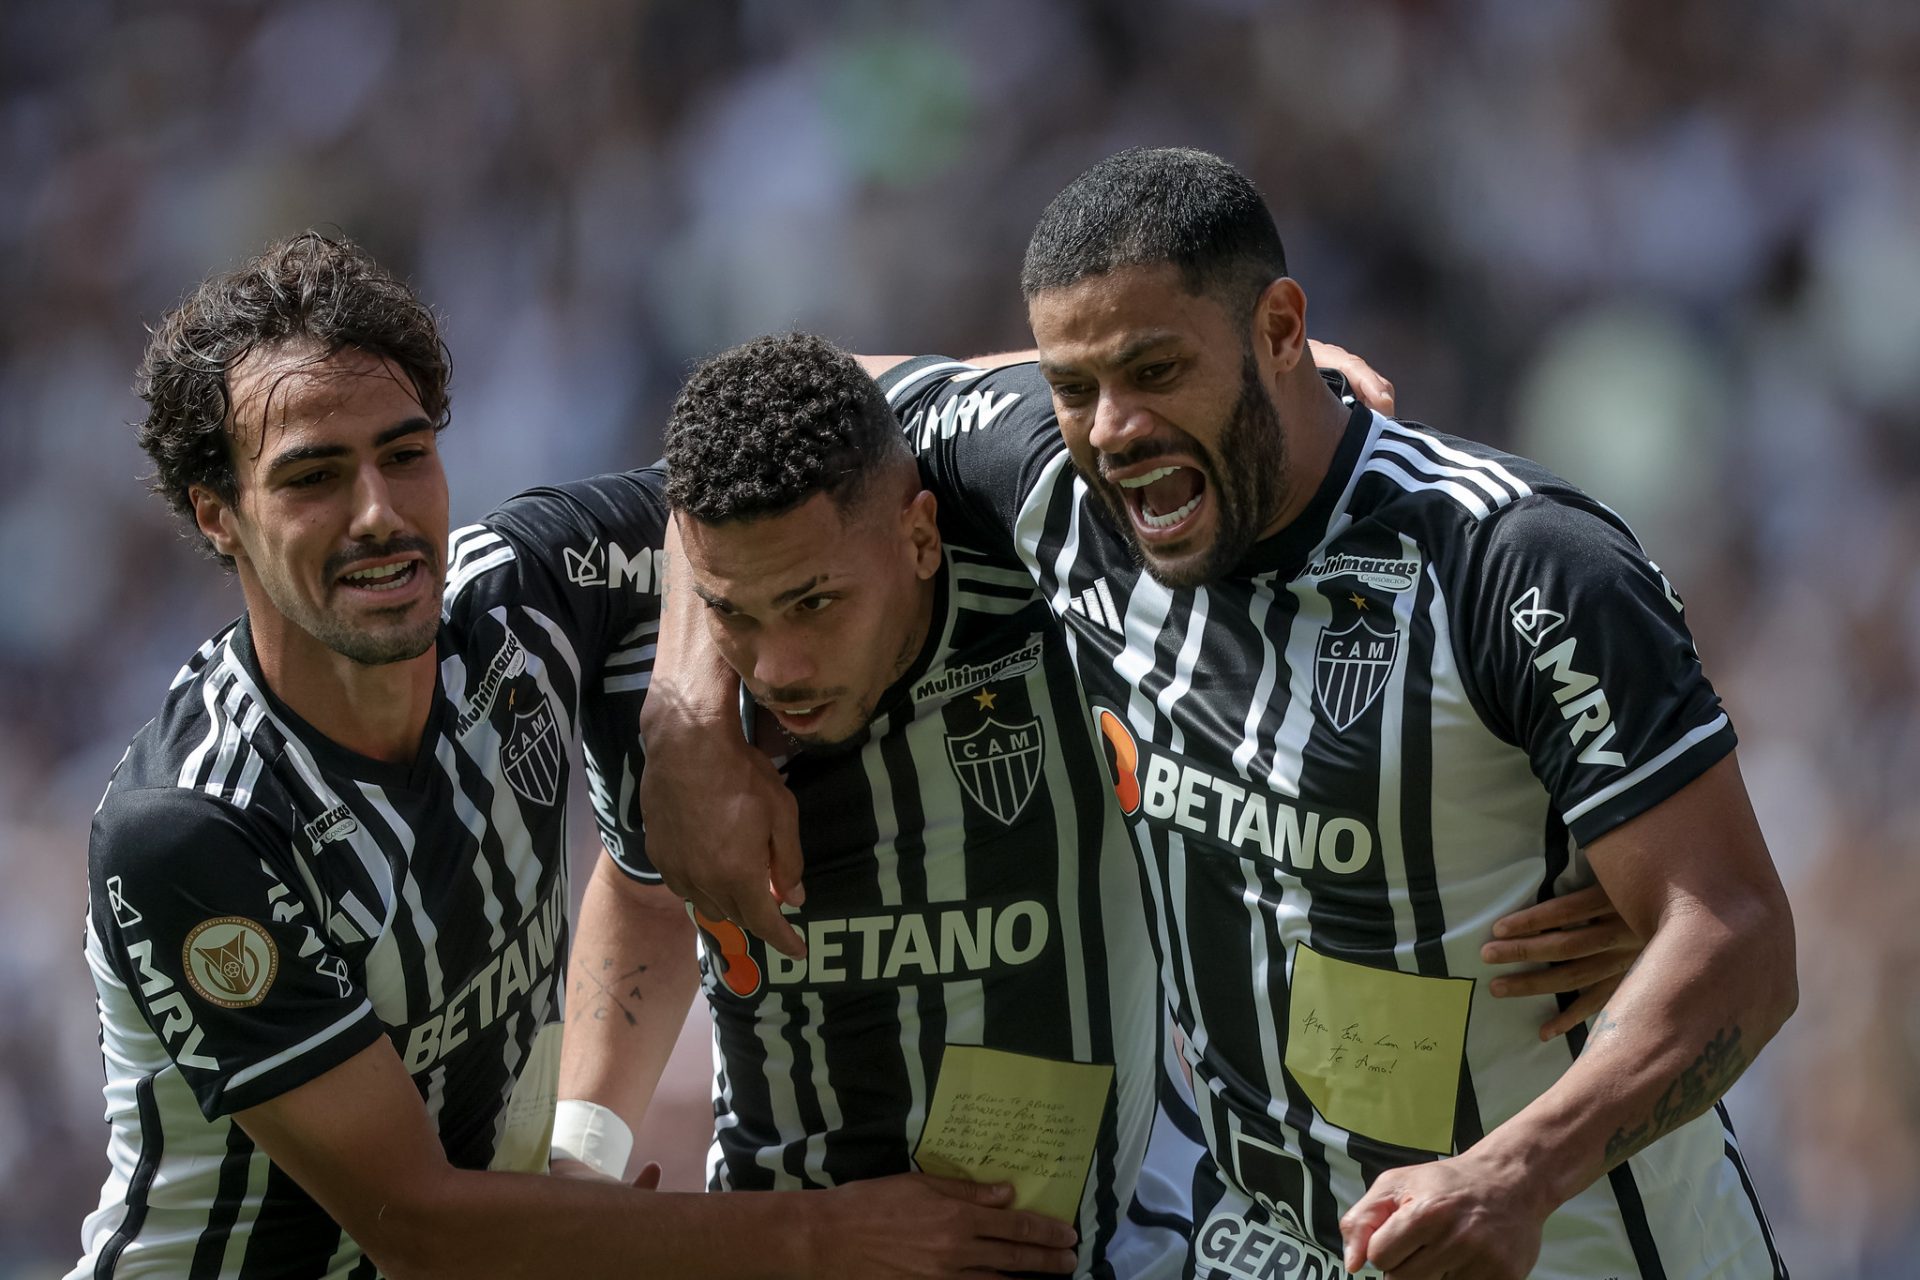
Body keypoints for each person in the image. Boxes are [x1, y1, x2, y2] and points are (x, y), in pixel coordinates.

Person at [637, 148, 1797, 1279]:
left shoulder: (1517, 561)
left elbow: (1739, 934)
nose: (1111, 427)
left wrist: (1515, 1170)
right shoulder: (1062, 495)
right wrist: (686, 706)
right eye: (1074, 383)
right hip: (1285, 1244)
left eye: (1155, 369)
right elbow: (801, 405)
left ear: (1282, 331)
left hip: (1570, 1242)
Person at [69, 232, 1080, 1279]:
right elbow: (422, 1228)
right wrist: (831, 1235)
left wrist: (685, 710)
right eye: (314, 477)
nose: (380, 512)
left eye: (406, 453)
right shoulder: (190, 824)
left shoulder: (523, 597)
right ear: (218, 514)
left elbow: (806, 419)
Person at [558, 331, 1197, 1278]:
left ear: (920, 536)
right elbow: (650, 891)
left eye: (815, 603)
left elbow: (873, 376)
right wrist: (584, 1155)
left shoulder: (1044, 597)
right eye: (734, 613)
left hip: (1108, 1250)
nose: (779, 669)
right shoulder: (656, 704)